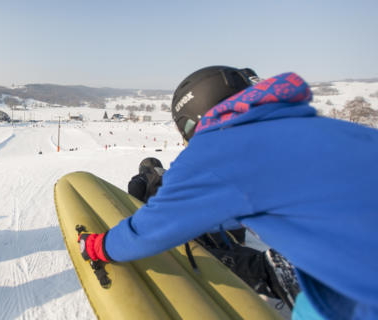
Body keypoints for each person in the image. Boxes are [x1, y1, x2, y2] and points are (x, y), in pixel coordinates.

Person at [78, 66, 378, 319]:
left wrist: (96, 246)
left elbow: (150, 231)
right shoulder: (309, 126)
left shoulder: (220, 146)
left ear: (191, 122)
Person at [128, 157, 299, 308]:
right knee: (227, 251)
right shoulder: (170, 179)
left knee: (216, 258)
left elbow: (135, 196)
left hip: (186, 232)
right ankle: (271, 269)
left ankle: (269, 272)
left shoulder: (146, 182)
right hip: (207, 226)